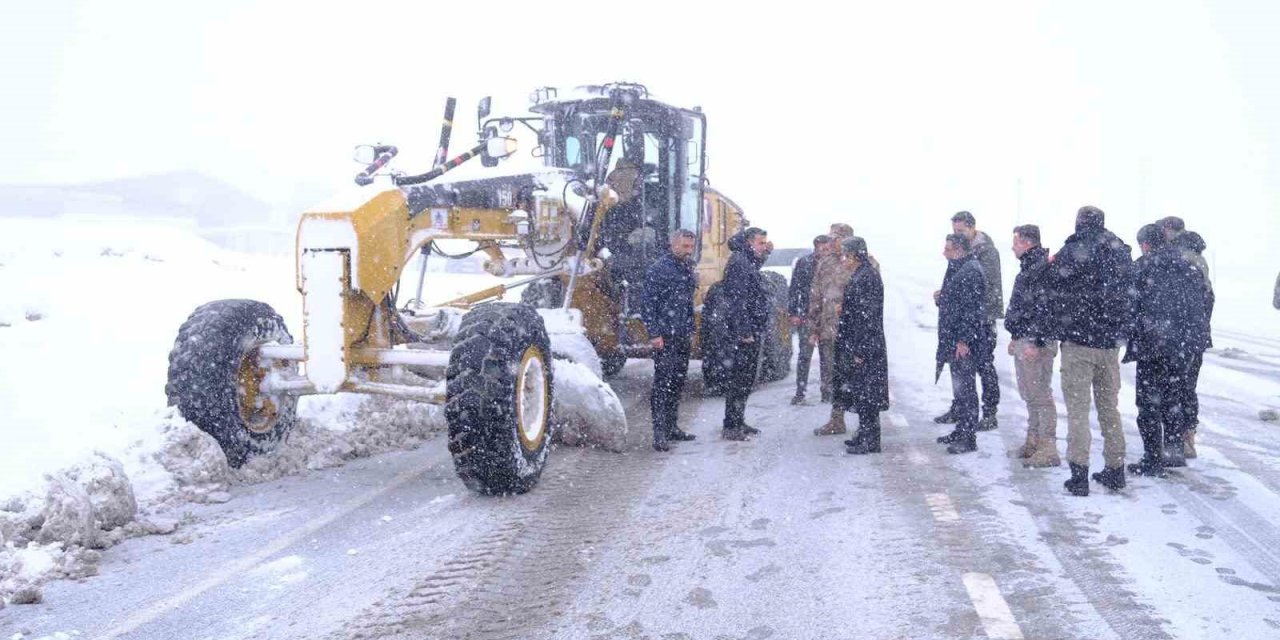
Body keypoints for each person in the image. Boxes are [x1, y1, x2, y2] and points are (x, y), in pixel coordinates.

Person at [1050, 206, 1133, 496]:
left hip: (1079, 342)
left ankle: (1079, 473)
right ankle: (1115, 468)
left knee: (1077, 410)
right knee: (1110, 408)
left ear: (1080, 222)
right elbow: (1129, 294)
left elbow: (1054, 288)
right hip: (1108, 345)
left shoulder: (1072, 251)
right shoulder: (1120, 251)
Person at [1123, 224, 1210, 476]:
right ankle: (1173, 452)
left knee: (1149, 404)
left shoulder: (1142, 267)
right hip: (1183, 347)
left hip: (1153, 346)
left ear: (1145, 244)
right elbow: (1204, 302)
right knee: (1173, 399)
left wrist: (1133, 336)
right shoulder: (1189, 267)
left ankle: (1152, 459)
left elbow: (1131, 306)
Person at [821, 236, 890, 454]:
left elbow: (867, 317)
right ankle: (864, 434)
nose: (843, 259)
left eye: (846, 255)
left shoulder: (866, 277)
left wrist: (861, 350)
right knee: (861, 393)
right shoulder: (861, 274)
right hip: (860, 342)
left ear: (853, 255)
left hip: (865, 346)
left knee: (867, 394)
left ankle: (870, 440)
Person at [935, 211, 1003, 430]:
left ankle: (990, 412)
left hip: (982, 319)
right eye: (955, 230)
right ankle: (959, 408)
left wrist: (974, 318)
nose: (957, 233)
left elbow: (986, 288)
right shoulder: (958, 249)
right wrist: (945, 296)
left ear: (973, 227)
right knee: (960, 367)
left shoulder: (986, 252)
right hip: (966, 318)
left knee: (983, 366)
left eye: (961, 230)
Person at [1004, 224, 1060, 468]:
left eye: (1015, 242)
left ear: (1027, 242)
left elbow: (1044, 309)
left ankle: (1048, 448)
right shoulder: (1030, 267)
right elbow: (1025, 307)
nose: (1012, 247)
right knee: (1030, 395)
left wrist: (1036, 342)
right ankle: (1033, 441)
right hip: (1025, 338)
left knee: (1040, 396)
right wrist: (1016, 336)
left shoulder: (1042, 269)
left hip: (1035, 341)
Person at [1159, 216, 1214, 458]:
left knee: (1176, 387)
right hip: (1195, 333)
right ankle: (1187, 435)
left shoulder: (1180, 257)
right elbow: (1208, 297)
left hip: (1181, 333)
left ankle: (1181, 440)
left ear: (1170, 231)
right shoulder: (1196, 256)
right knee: (1187, 386)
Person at [641, 229, 699, 452]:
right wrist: (654, 333)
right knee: (662, 385)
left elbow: (685, 302)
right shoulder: (659, 269)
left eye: (691, 247)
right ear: (673, 245)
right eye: (684, 246)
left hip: (682, 333)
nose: (688, 251)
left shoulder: (686, 268)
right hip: (665, 336)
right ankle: (659, 433)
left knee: (677, 382)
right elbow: (648, 304)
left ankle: (672, 427)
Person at [935, 233, 988, 454]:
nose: (944, 253)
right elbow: (958, 302)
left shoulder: (971, 271)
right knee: (960, 388)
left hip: (964, 341)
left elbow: (972, 310)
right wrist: (943, 297)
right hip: (954, 337)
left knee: (966, 389)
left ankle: (968, 437)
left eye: (947, 249)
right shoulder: (958, 267)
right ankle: (961, 429)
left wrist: (964, 340)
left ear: (958, 249)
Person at [720, 227, 771, 441]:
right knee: (740, 379)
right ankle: (732, 426)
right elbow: (737, 300)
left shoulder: (746, 259)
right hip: (744, 332)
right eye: (760, 243)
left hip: (751, 327)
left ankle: (737, 420)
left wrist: (764, 254)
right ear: (749, 242)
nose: (763, 246)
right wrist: (744, 330)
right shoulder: (739, 263)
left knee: (746, 379)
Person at [807, 224, 856, 415]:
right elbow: (816, 296)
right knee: (831, 375)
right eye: (831, 239)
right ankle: (837, 418)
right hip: (828, 330)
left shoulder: (864, 263)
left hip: (852, 332)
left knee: (854, 376)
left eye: (836, 239)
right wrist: (813, 328)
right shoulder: (825, 263)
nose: (832, 242)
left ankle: (863, 424)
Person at [789, 235, 834, 405]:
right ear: (816, 248)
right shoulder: (804, 263)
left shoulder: (834, 265)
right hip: (808, 316)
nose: (825, 252)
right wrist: (794, 312)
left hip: (827, 317)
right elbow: (794, 289)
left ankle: (827, 392)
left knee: (827, 356)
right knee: (804, 355)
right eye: (822, 249)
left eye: (828, 248)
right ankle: (800, 392)